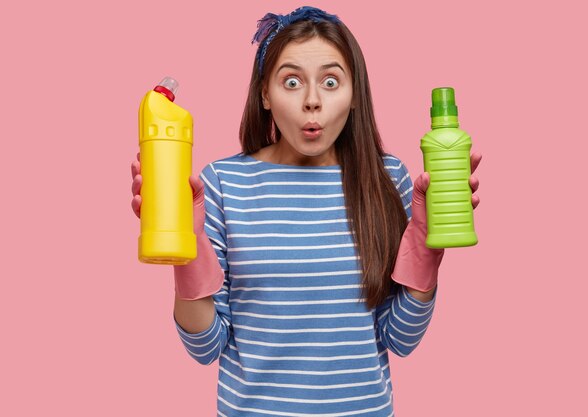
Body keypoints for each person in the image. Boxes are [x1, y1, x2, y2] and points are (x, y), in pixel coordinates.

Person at [130, 6, 481, 416]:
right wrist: (183, 251)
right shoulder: (223, 184)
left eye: (331, 82)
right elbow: (206, 346)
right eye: (292, 82)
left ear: (354, 97)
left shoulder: (388, 179)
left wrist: (427, 246)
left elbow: (400, 338)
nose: (312, 101)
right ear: (265, 94)